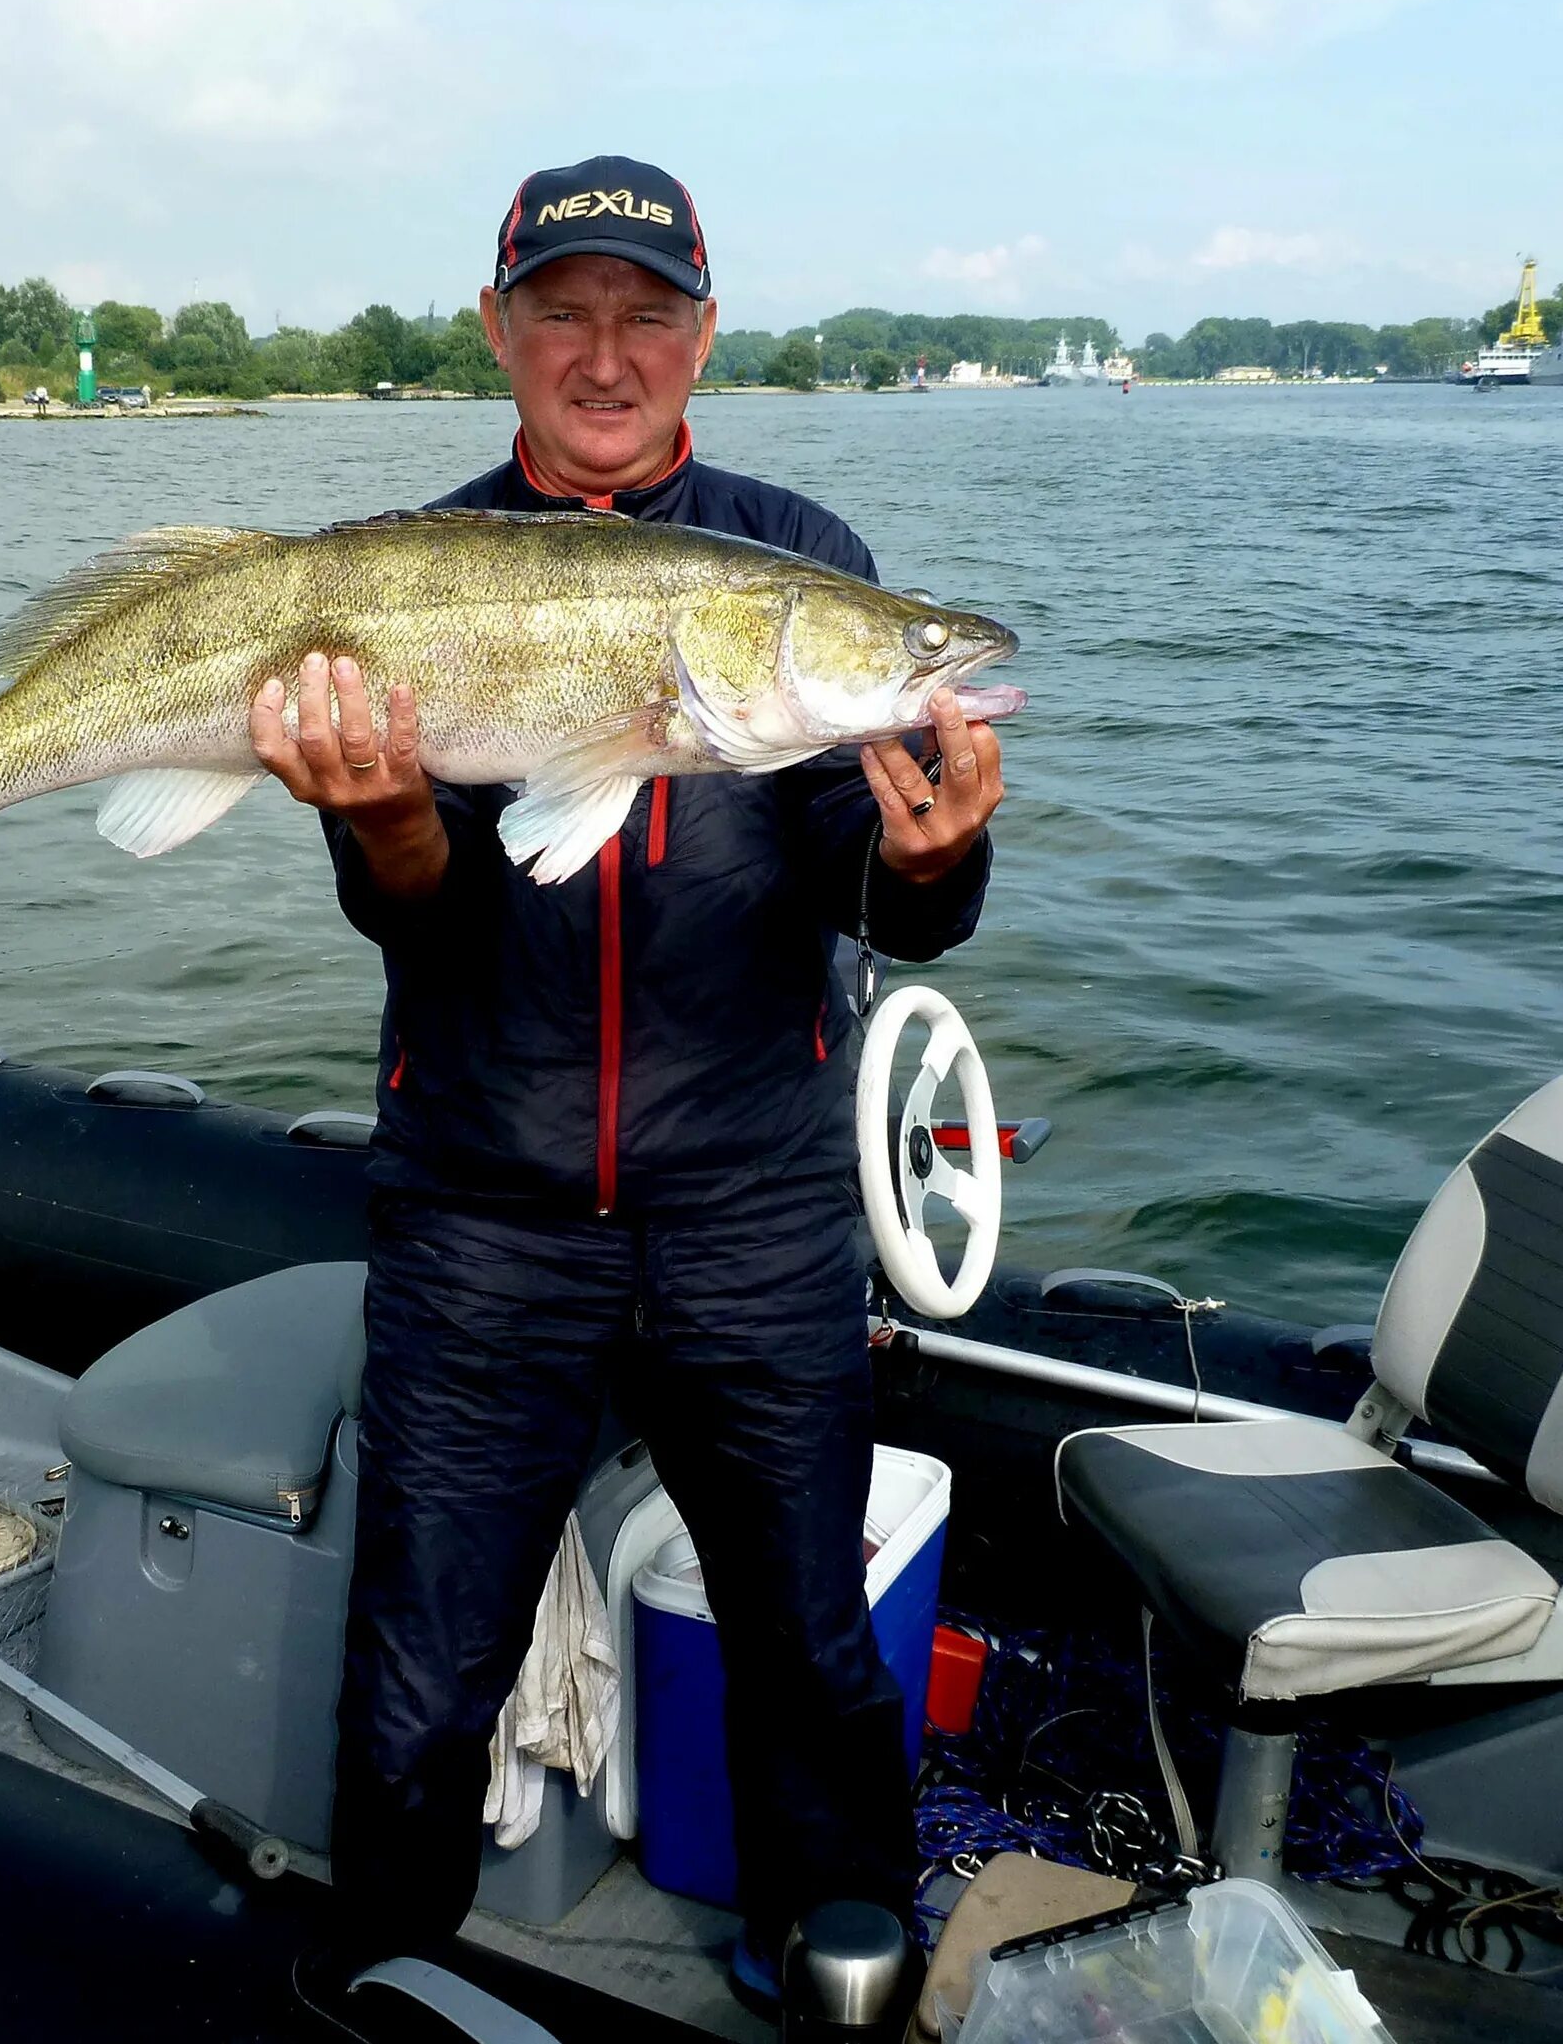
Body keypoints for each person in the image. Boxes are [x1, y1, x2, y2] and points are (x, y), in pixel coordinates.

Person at [250, 154, 1006, 1997]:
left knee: (814, 1648)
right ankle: (388, 1982)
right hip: (480, 1215)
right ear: (499, 330)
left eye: (647, 312)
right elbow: (413, 920)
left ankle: (834, 1966)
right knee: (424, 1667)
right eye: (566, 311)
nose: (607, 353)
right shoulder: (400, 575)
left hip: (752, 1205)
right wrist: (382, 816)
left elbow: (890, 901)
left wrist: (927, 860)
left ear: (704, 334)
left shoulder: (796, 562)